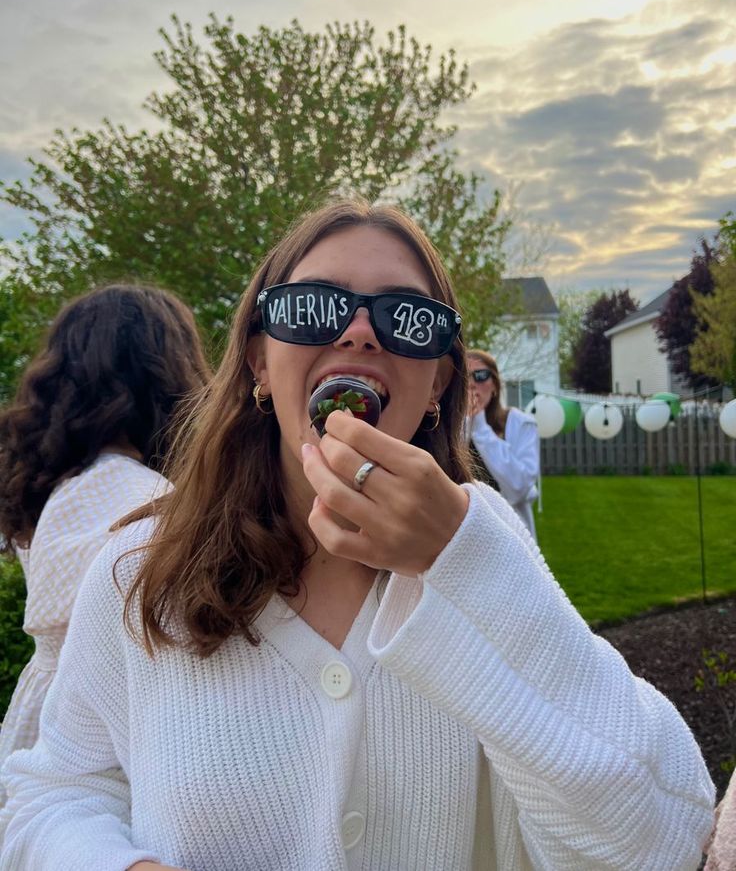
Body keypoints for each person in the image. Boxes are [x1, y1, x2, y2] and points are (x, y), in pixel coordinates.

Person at [0, 200, 715, 871]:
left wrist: (461, 558)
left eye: (406, 316)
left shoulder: (485, 548)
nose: (359, 331)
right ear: (258, 362)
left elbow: (662, 834)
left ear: (438, 382)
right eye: (314, 308)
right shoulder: (138, 571)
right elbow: (54, 789)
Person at [0, 283, 211, 812]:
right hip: (101, 729)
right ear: (169, 375)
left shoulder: (58, 482)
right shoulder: (128, 492)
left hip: (47, 709)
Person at [467, 350, 540, 540]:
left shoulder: (521, 424)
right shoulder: (452, 427)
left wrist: (480, 426)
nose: (472, 383)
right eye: (464, 376)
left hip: (511, 533)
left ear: (495, 386)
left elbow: (519, 488)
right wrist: (466, 423)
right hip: (466, 533)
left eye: (481, 376)